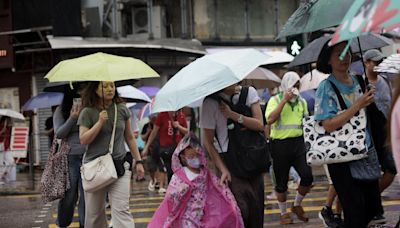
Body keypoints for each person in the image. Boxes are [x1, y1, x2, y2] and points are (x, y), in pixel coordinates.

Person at [314, 41, 382, 227]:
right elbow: (327, 124)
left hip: (366, 152)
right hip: (342, 159)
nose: (344, 57)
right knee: (355, 212)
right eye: (338, 54)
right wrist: (358, 105)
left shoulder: (360, 80)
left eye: (347, 52)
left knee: (371, 210)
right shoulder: (326, 87)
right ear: (328, 59)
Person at [78, 81, 145, 228]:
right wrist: (99, 122)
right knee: (94, 215)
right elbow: (83, 139)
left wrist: (139, 161)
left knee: (122, 209)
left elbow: (129, 137)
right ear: (95, 90)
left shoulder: (121, 109)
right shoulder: (87, 112)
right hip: (96, 168)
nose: (110, 89)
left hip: (119, 165)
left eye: (112, 86)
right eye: (105, 86)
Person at [201, 83, 265, 227]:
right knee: (240, 210)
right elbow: (208, 142)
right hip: (229, 162)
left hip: (252, 157)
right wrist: (222, 169)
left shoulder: (249, 93)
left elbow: (260, 124)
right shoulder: (210, 102)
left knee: (256, 210)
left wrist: (233, 115)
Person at [148, 133, 244, 228]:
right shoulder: (180, 176)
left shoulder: (207, 175)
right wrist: (181, 191)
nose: (195, 159)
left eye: (197, 156)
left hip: (202, 216)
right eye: (191, 157)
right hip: (186, 217)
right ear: (182, 157)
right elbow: (170, 197)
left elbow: (217, 191)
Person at [265, 71, 313, 225]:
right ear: (286, 85)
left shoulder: (302, 102)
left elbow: (307, 123)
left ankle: (297, 205)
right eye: (293, 85)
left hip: (298, 144)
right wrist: (284, 101)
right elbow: (270, 119)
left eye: (298, 85)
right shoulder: (275, 99)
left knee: (307, 176)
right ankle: (283, 213)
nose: (296, 88)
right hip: (280, 145)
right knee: (281, 183)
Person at [363, 49, 396, 224]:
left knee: (391, 169)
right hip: (368, 136)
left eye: (379, 62)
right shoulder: (361, 83)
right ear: (366, 62)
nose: (376, 65)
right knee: (372, 173)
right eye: (373, 62)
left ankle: (371, 198)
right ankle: (373, 205)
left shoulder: (385, 81)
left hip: (385, 133)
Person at [53, 86, 85, 227]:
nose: (80, 97)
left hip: (88, 156)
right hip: (69, 157)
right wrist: (72, 118)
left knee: (86, 197)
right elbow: (59, 133)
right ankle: (63, 223)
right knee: (69, 196)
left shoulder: (89, 108)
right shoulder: (61, 110)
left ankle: (85, 224)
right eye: (77, 95)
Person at [141, 110, 188, 192]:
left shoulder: (181, 115)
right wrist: (146, 147)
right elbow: (154, 132)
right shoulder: (162, 115)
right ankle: (172, 191)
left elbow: (187, 132)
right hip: (166, 149)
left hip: (179, 149)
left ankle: (177, 191)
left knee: (179, 171)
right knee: (169, 171)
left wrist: (178, 126)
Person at [141, 114, 163, 192]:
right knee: (151, 167)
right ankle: (154, 180)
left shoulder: (160, 124)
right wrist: (148, 132)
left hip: (160, 148)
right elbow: (142, 138)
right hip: (150, 150)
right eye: (151, 117)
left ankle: (159, 183)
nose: (153, 118)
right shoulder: (146, 126)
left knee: (160, 166)